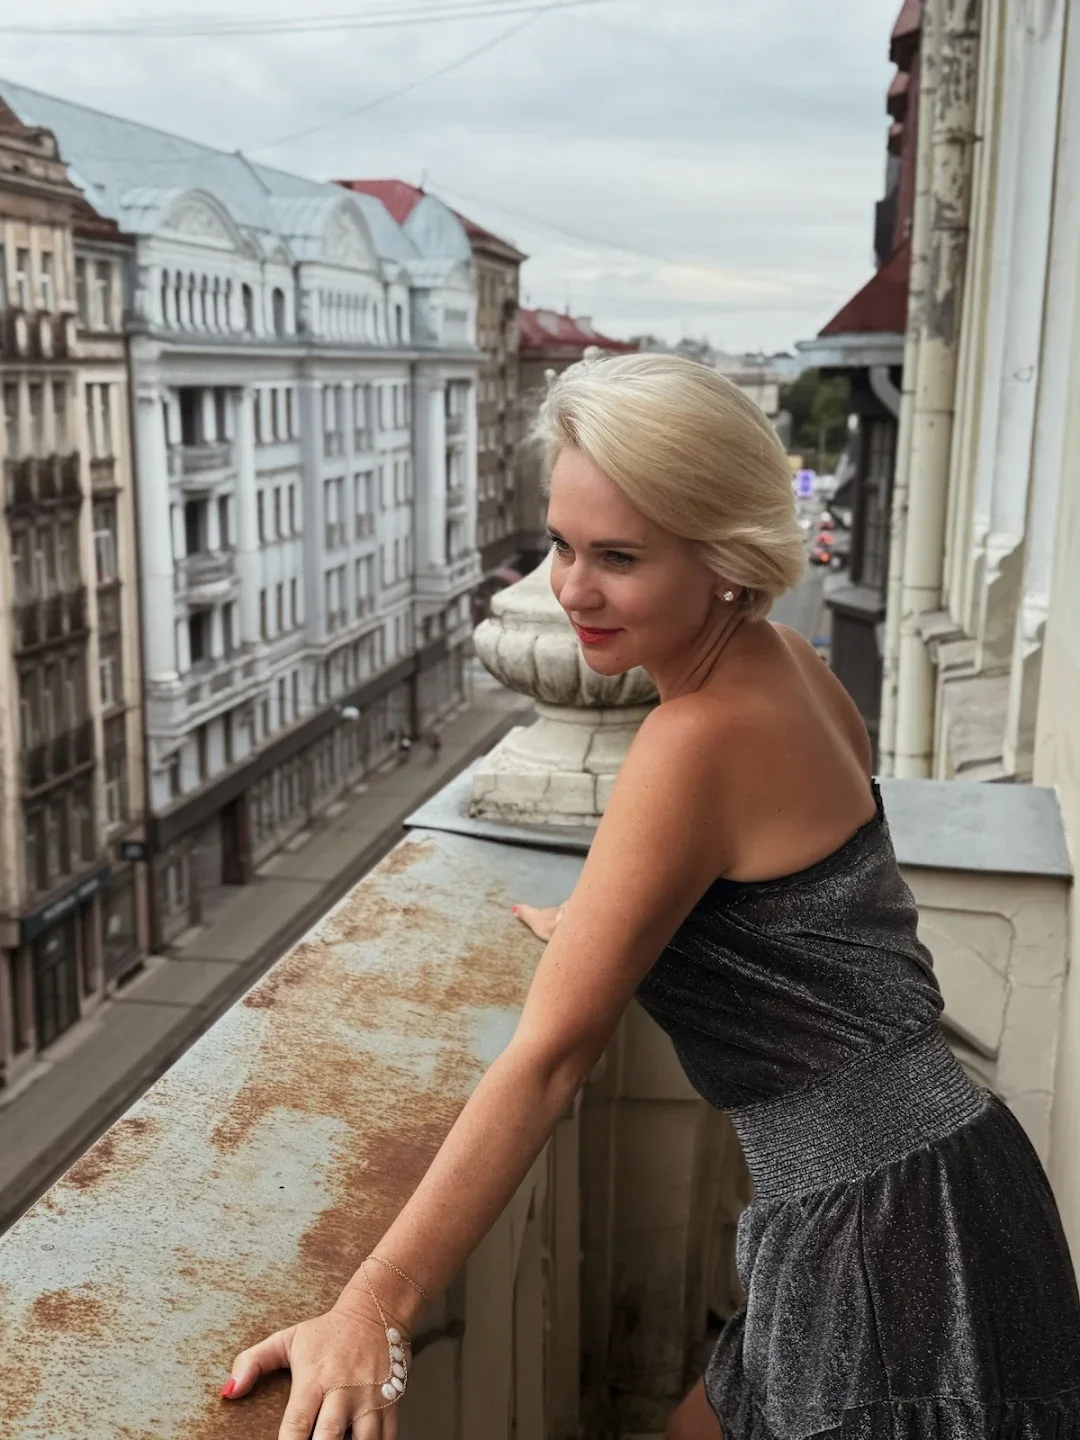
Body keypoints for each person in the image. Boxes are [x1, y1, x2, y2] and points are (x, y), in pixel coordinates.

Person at [221, 352, 1080, 1440]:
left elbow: (547, 1064)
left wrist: (374, 1303)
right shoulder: (794, 668)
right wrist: (603, 929)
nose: (572, 591)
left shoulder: (691, 741)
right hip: (945, 1166)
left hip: (878, 1226)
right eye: (561, 545)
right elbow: (800, 914)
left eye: (618, 557)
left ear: (725, 557)